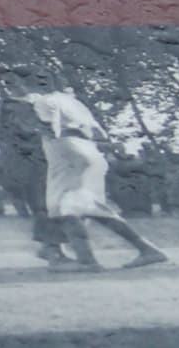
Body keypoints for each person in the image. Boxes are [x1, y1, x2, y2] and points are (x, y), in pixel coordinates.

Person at [30, 90, 168, 268]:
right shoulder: (73, 103)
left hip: (67, 154)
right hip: (87, 152)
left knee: (65, 209)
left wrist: (35, 132)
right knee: (93, 208)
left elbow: (51, 128)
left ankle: (86, 261)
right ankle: (148, 249)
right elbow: (97, 132)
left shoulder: (44, 101)